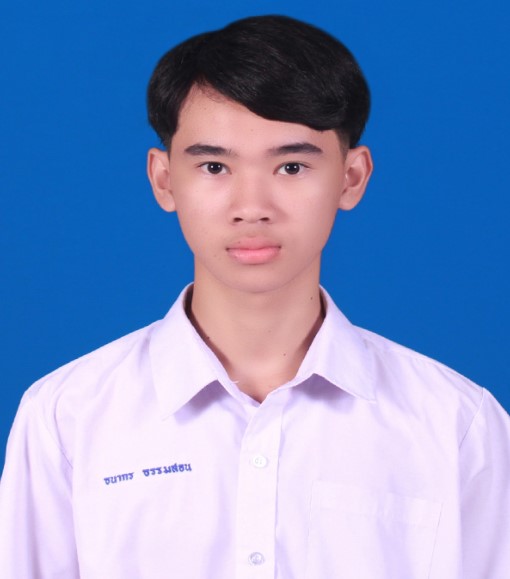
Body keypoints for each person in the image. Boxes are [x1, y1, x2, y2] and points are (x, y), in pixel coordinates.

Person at [0, 14, 509, 579]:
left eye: (291, 166)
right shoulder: (67, 417)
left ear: (351, 177)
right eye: (214, 166)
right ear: (164, 180)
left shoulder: (457, 424)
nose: (251, 207)